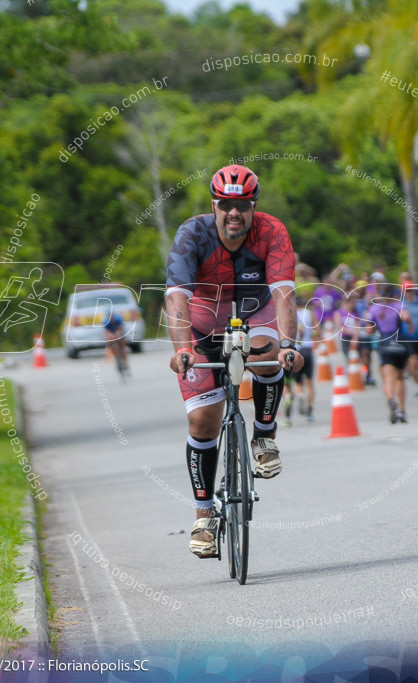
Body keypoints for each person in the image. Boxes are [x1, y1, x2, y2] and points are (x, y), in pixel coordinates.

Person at [165, 164, 303, 558]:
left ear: (253, 205)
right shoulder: (193, 233)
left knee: (268, 351)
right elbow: (177, 298)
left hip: (255, 312)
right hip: (202, 324)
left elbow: (284, 295)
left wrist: (289, 342)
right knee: (202, 421)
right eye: (226, 205)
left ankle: (263, 435)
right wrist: (181, 349)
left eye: (242, 205)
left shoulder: (271, 231)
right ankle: (205, 515)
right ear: (215, 205)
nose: (234, 214)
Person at [367, 282, 410, 423]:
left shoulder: (374, 309)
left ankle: (391, 399)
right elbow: (406, 319)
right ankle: (402, 410)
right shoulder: (399, 306)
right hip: (400, 344)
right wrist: (409, 326)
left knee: (388, 378)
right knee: (400, 378)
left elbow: (369, 330)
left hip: (385, 344)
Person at [282, 297, 317, 425]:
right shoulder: (309, 314)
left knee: (287, 383)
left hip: (291, 351)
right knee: (308, 382)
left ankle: (287, 413)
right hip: (307, 349)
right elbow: (317, 331)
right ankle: (309, 411)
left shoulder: (287, 315)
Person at [399, 281, 418, 397]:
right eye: (407, 291)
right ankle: (417, 385)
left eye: (410, 290)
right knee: (413, 361)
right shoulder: (401, 304)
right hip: (408, 336)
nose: (409, 293)